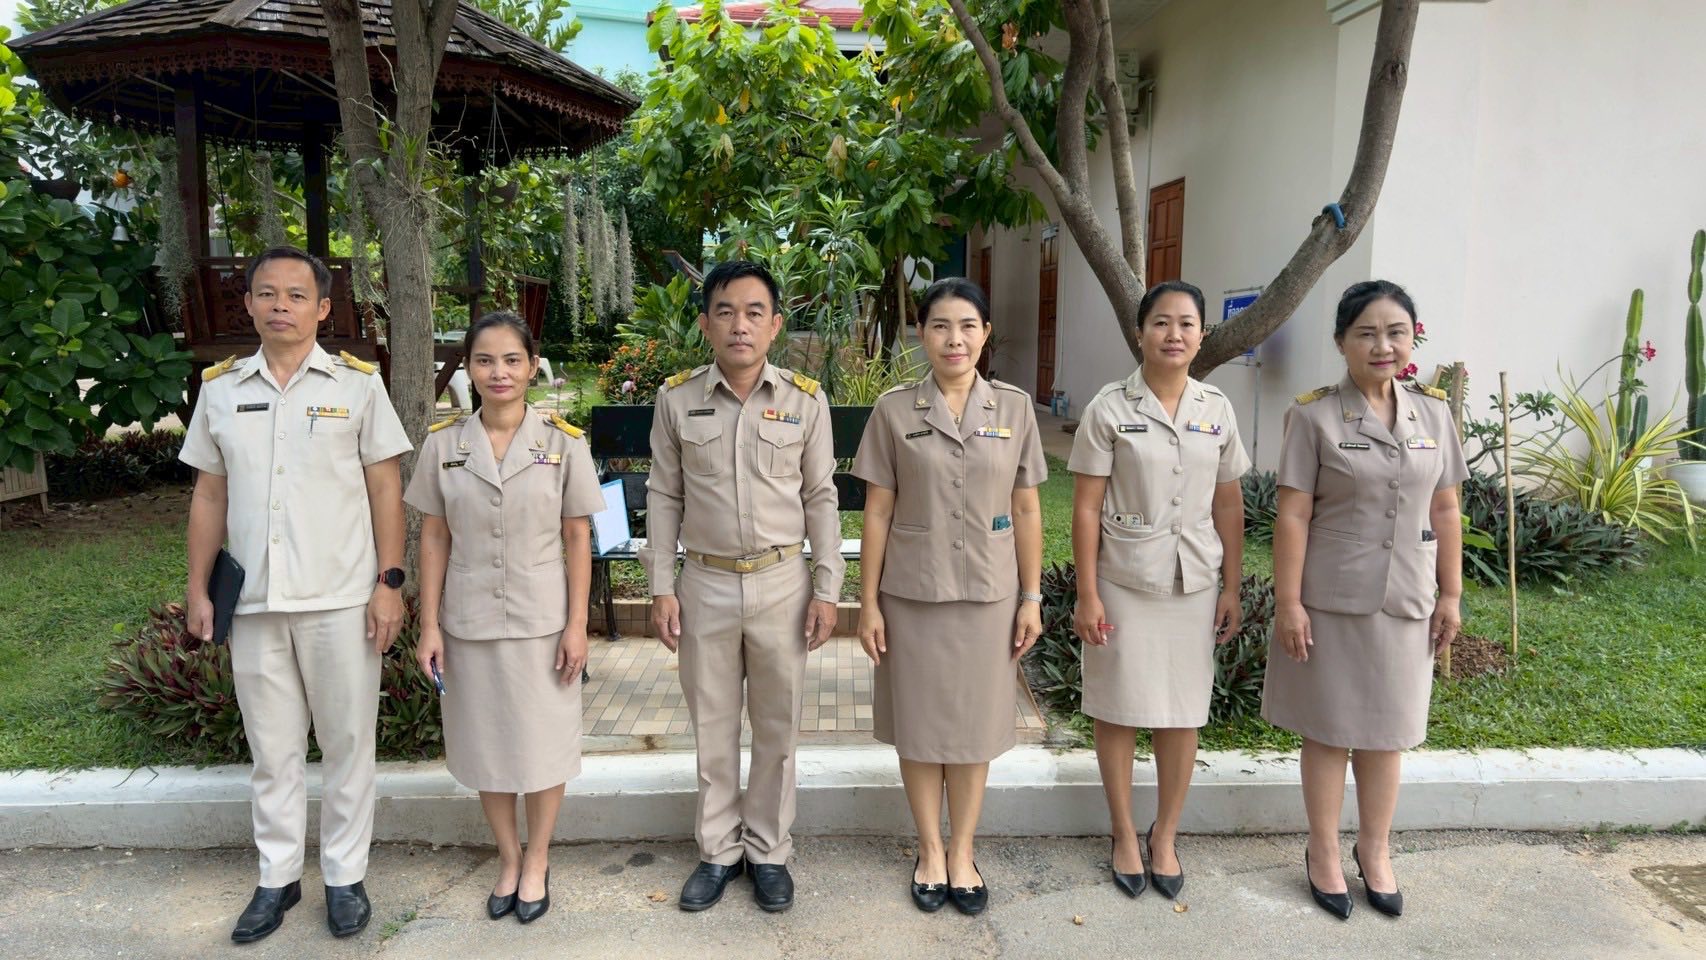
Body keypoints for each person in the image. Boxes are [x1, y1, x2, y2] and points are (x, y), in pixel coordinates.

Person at [179, 246, 411, 943]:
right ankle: (276, 878)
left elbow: (385, 489)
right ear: (249, 304)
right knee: (272, 751)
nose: (281, 305)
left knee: (347, 745)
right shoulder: (222, 389)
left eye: (297, 295)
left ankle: (344, 876)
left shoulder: (357, 386)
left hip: (340, 598)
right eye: (267, 293)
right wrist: (197, 588)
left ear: (323, 308)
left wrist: (389, 584)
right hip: (254, 604)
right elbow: (209, 494)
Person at [640, 260, 842, 913]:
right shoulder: (677, 400)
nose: (740, 325)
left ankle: (769, 850)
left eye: (755, 312)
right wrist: (661, 585)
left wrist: (828, 587)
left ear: (775, 325)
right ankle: (719, 851)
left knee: (778, 727)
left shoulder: (805, 401)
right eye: (725, 312)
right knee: (713, 724)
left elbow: (821, 496)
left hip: (783, 582)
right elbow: (663, 495)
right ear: (705, 324)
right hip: (705, 582)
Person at [1262, 280, 1467, 920]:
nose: (1383, 345)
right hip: (1332, 600)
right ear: (1342, 342)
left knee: (1388, 734)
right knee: (1328, 732)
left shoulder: (1433, 414)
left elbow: (1445, 508)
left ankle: (1375, 849)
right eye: (1367, 333)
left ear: (1412, 339)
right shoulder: (1314, 416)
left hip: (1408, 596)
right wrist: (1289, 602)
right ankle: (1323, 850)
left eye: (1395, 333)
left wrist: (1452, 592)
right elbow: (1292, 514)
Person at [853, 277, 1046, 915]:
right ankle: (929, 849)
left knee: (973, 728)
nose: (954, 339)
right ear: (922, 334)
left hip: (990, 597)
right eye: (940, 326)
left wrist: (1031, 596)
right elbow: (877, 511)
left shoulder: (1014, 409)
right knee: (919, 726)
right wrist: (868, 603)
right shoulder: (894, 411)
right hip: (912, 594)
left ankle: (962, 851)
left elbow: (1026, 507)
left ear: (985, 334)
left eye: (967, 326)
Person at [405, 312, 602, 924]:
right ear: (468, 368)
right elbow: (434, 536)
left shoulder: (563, 443)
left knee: (543, 745)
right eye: (485, 360)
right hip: (468, 621)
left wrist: (577, 626)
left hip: (543, 623)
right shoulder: (444, 446)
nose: (499, 372)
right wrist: (429, 625)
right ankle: (509, 858)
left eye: (512, 360)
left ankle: (538, 858)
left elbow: (578, 537)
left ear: (532, 366)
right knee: (485, 744)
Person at [1067, 280, 1250, 901]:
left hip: (1193, 581)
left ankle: (1165, 834)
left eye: (1187, 324)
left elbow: (1229, 502)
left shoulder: (1216, 407)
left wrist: (1232, 585)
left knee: (1182, 712)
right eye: (1161, 323)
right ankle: (1123, 832)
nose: (1174, 334)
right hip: (1123, 579)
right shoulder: (1108, 408)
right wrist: (1087, 594)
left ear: (1202, 335)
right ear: (1140, 333)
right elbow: (1085, 507)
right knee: (1117, 708)